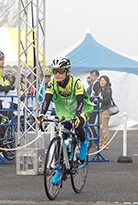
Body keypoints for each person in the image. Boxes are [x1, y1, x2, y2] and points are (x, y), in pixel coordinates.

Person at [38, 56, 93, 185]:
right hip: (64, 112)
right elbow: (46, 100)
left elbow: (80, 102)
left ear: (67, 72)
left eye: (60, 71)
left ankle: (84, 144)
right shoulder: (52, 83)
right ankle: (59, 171)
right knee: (60, 139)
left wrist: (77, 116)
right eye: (55, 71)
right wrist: (41, 114)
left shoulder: (76, 83)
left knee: (77, 124)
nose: (57, 74)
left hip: (82, 109)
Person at [97, 75, 112, 149]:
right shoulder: (100, 89)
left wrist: (99, 100)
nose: (102, 82)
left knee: (104, 127)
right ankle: (101, 141)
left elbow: (107, 99)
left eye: (103, 81)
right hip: (100, 109)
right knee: (96, 125)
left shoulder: (108, 89)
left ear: (107, 82)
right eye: (100, 80)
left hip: (105, 109)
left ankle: (105, 143)